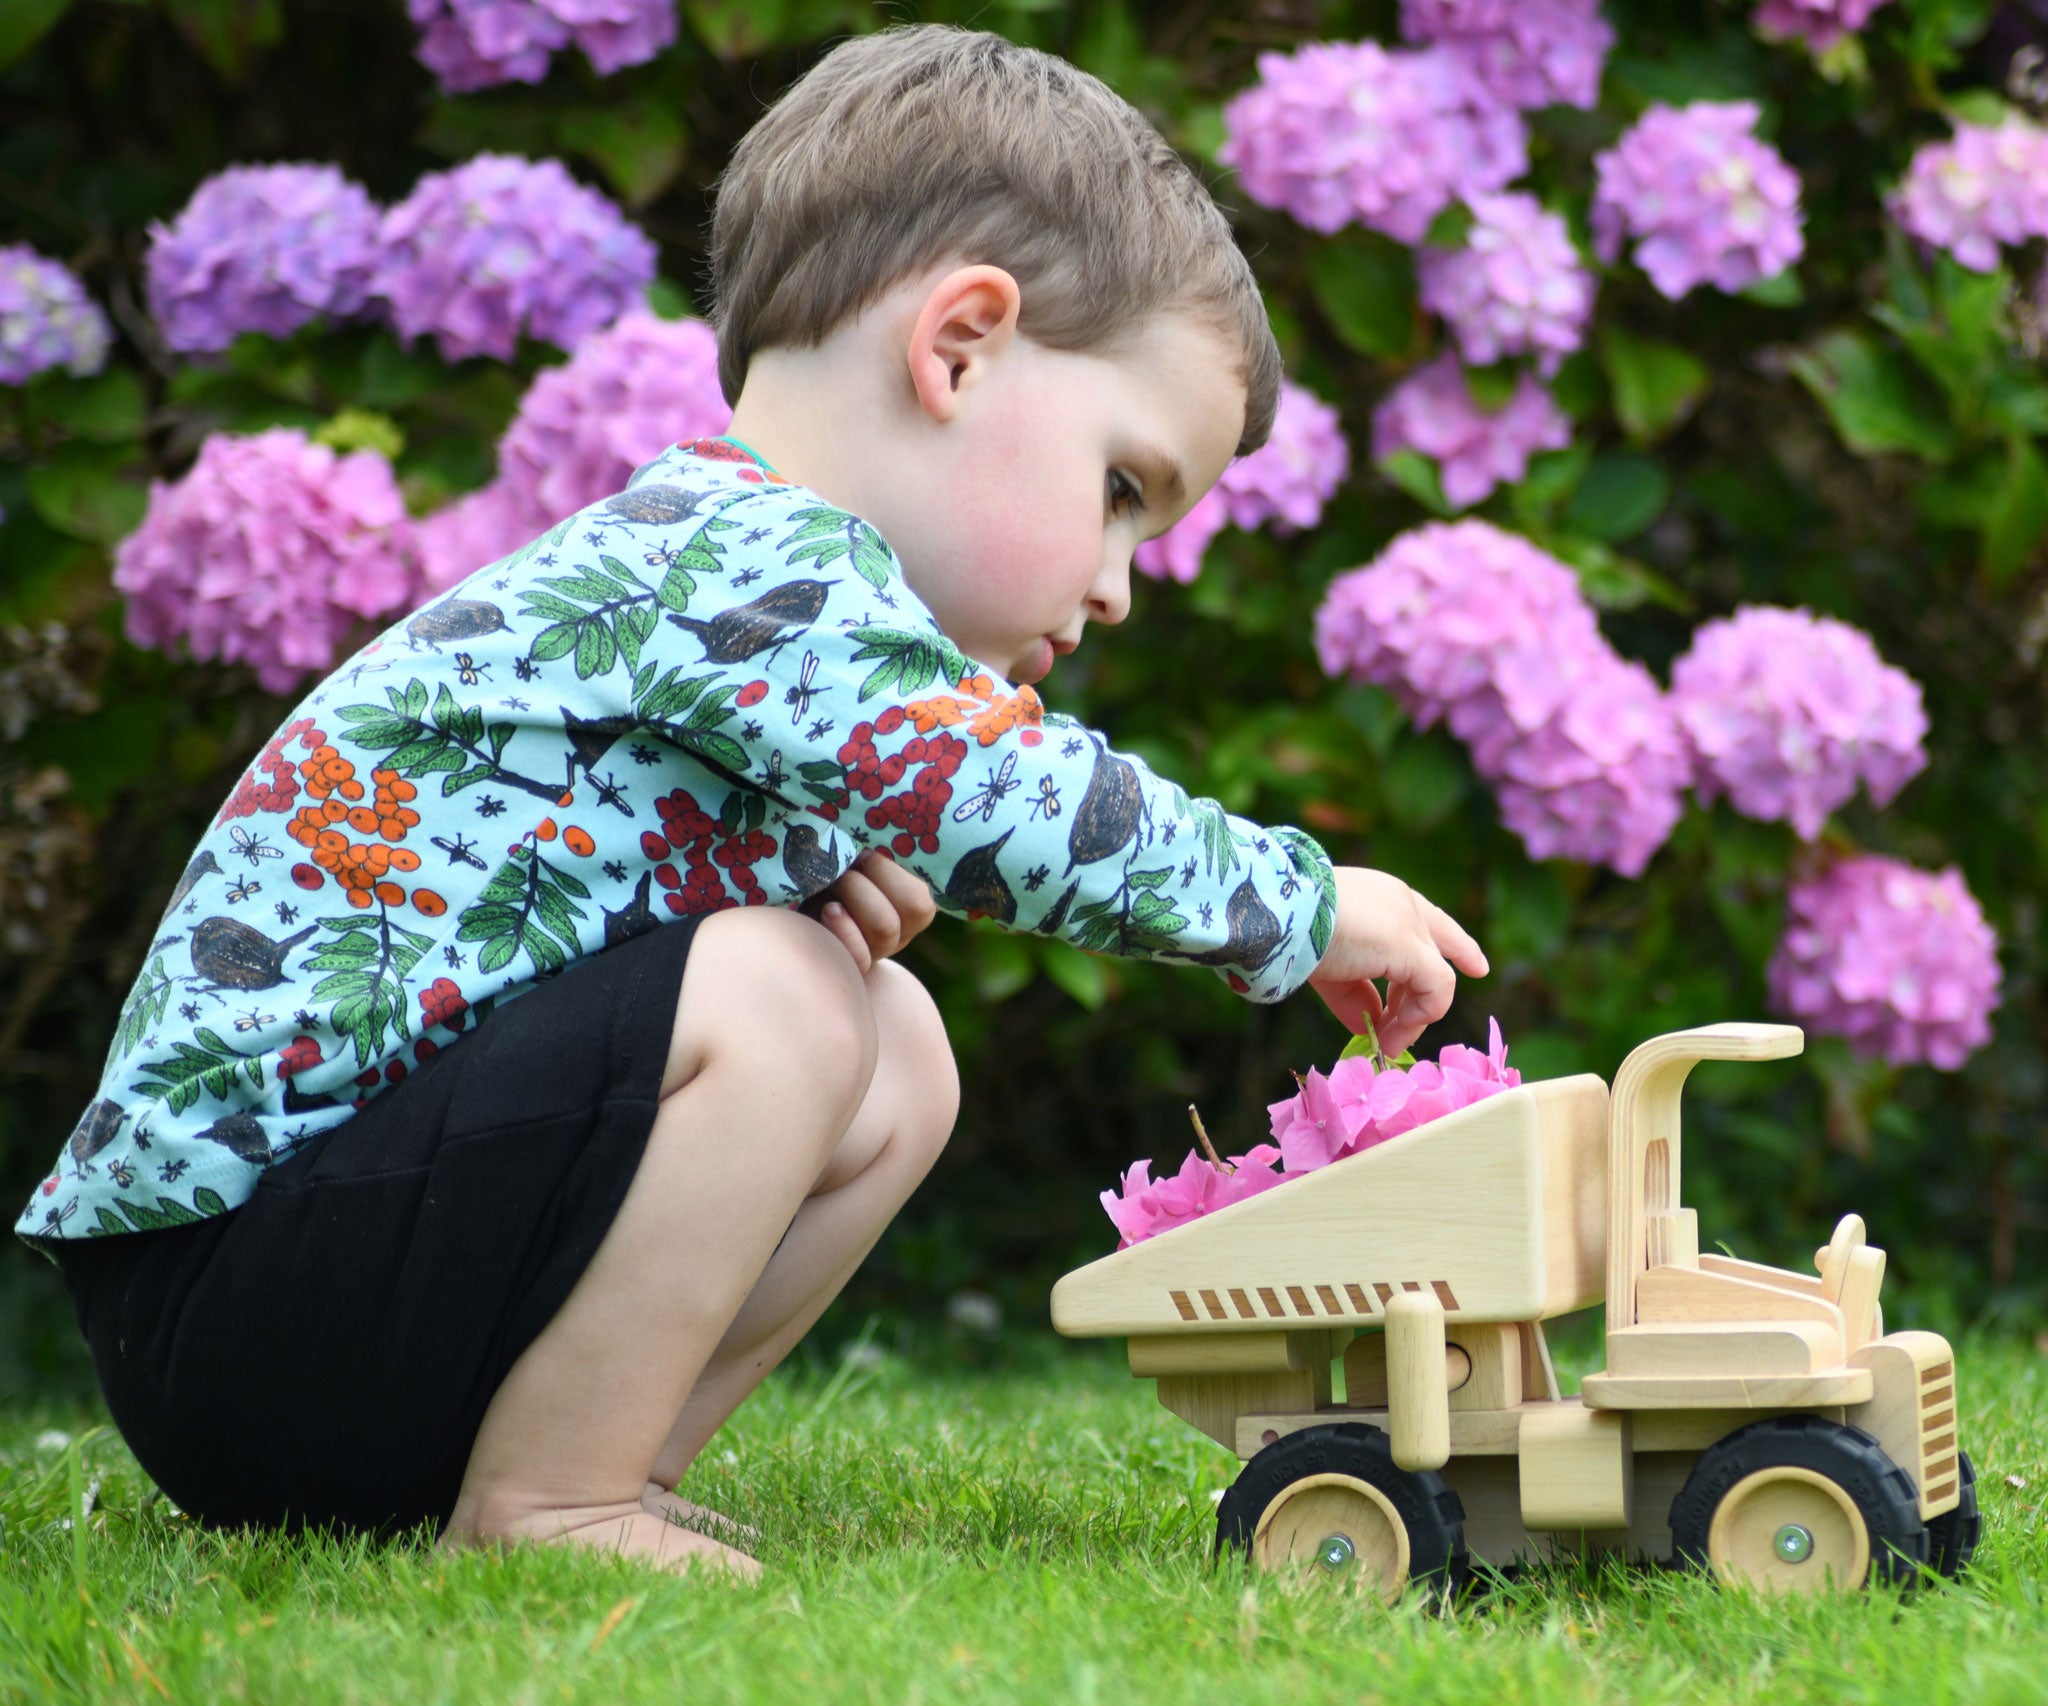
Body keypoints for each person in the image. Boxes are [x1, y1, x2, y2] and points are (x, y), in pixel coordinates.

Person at [20, 24, 1488, 1577]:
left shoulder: (755, 600)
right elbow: (992, 795)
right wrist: (1302, 899)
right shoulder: (746, 560)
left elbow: (550, 950)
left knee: (890, 1038)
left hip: (342, 1283)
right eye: (1123, 488)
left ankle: (590, 1463)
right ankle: (551, 1502)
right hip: (237, 1297)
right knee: (789, 992)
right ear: (961, 345)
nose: (1120, 588)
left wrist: (766, 896)